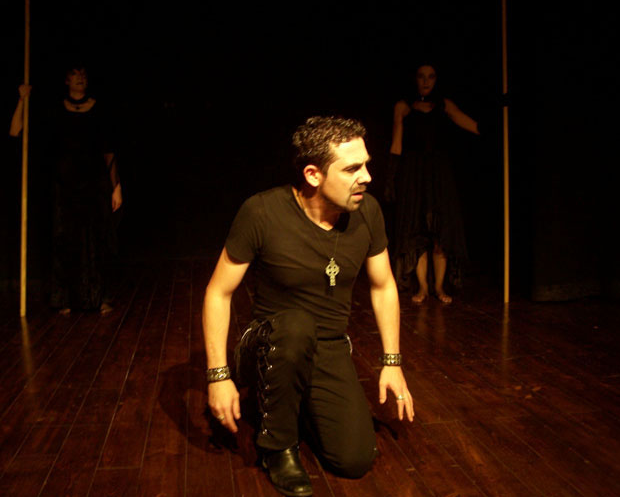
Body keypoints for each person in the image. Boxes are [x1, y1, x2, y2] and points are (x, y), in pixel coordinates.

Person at [202, 116, 414, 497]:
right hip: (269, 343)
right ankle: (276, 446)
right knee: (297, 326)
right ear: (313, 175)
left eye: (366, 165)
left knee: (355, 459)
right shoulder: (263, 212)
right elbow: (218, 292)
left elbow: (383, 286)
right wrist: (218, 376)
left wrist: (392, 361)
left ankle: (294, 402)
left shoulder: (367, 213)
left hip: (327, 345)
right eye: (352, 168)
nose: (366, 177)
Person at [9, 61, 122, 314]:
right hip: (65, 186)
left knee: (98, 239)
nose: (80, 77)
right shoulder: (55, 111)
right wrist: (22, 99)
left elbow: (109, 149)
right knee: (65, 240)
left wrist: (116, 186)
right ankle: (65, 299)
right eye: (75, 74)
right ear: (66, 80)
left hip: (95, 185)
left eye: (83, 73)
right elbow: (16, 131)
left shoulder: (98, 110)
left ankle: (101, 297)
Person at [387, 63, 479, 304]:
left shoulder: (444, 105)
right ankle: (423, 287)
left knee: (441, 232)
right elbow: (397, 142)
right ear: (414, 79)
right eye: (421, 76)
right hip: (414, 173)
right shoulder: (403, 107)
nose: (426, 81)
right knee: (417, 233)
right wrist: (392, 176)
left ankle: (438, 287)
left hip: (439, 174)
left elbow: (467, 122)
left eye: (431, 77)